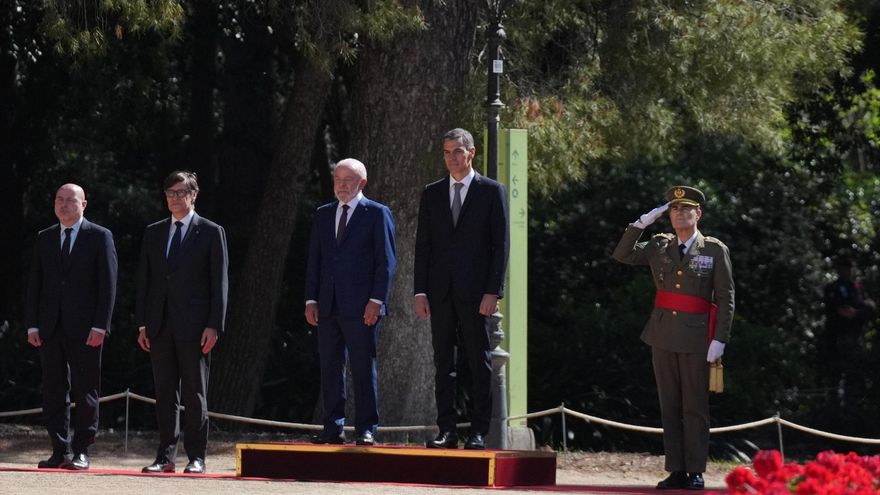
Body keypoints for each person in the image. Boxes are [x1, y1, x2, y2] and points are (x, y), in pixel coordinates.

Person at [612, 186, 734, 491]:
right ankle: (676, 469)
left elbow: (726, 296)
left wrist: (720, 339)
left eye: (686, 209)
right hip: (663, 333)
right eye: (674, 209)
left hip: (696, 338)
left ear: (698, 214)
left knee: (694, 406)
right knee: (669, 405)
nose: (680, 214)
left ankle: (695, 469)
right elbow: (622, 254)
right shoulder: (659, 245)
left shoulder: (713, 249)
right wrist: (640, 224)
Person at [414, 128, 509, 450]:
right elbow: (423, 246)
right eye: (446, 152)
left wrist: (493, 291)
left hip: (476, 294)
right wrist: (420, 291)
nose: (452, 158)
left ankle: (479, 432)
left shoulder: (491, 191)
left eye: (457, 151)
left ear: (471, 153)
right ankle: (447, 430)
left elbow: (500, 246)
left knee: (478, 361)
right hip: (439, 292)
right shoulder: (432, 193)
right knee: (444, 363)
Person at [135, 171, 228, 474]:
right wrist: (142, 324)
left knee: (194, 392)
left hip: (196, 326)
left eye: (180, 192)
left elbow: (219, 283)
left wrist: (214, 324)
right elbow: (145, 282)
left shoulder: (211, 232)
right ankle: (165, 456)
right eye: (170, 193)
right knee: (164, 393)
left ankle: (196, 456)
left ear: (193, 195)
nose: (175, 198)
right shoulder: (153, 232)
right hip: (159, 325)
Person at [304, 158, 397, 446]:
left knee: (361, 366)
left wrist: (376, 300)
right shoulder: (323, 214)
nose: (342, 185)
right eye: (338, 179)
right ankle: (333, 427)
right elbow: (315, 260)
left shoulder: (377, 213)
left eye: (348, 180)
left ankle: (367, 428)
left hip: (362, 306)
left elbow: (386, 262)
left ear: (362, 183)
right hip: (327, 304)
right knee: (330, 366)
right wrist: (311, 299)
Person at [25, 183, 118, 470]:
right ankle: (59, 449)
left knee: (85, 389)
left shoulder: (100, 236)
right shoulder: (45, 237)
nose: (64, 205)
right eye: (59, 200)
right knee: (53, 390)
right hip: (50, 327)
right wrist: (32, 325)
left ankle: (82, 450)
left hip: (86, 328)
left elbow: (108, 285)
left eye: (70, 201)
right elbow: (35, 284)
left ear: (83, 205)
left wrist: (101, 326)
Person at [822, 256, 876, 420]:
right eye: (844, 267)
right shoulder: (832, 288)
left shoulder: (857, 287)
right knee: (835, 379)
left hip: (855, 339)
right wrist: (855, 309)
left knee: (855, 380)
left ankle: (854, 414)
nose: (847, 271)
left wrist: (858, 312)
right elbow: (839, 307)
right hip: (836, 339)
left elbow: (870, 307)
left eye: (850, 267)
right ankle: (834, 415)